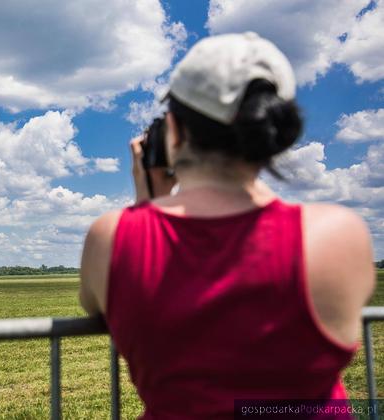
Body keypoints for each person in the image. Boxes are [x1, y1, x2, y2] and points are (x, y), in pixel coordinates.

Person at [79, 32, 375, 419]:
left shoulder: (112, 236)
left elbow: (98, 303)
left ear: (175, 132)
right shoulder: (338, 235)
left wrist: (147, 206)